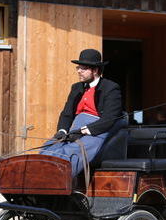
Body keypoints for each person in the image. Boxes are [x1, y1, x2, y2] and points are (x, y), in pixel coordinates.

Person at [41, 48, 124, 177]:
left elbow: (110, 118)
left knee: (71, 152)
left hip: (97, 131)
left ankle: (58, 180)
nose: (79, 71)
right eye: (78, 68)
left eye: (83, 68)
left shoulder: (111, 88)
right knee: (49, 148)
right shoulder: (76, 88)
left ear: (95, 70)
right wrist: (62, 131)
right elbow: (67, 114)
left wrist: (85, 130)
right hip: (75, 129)